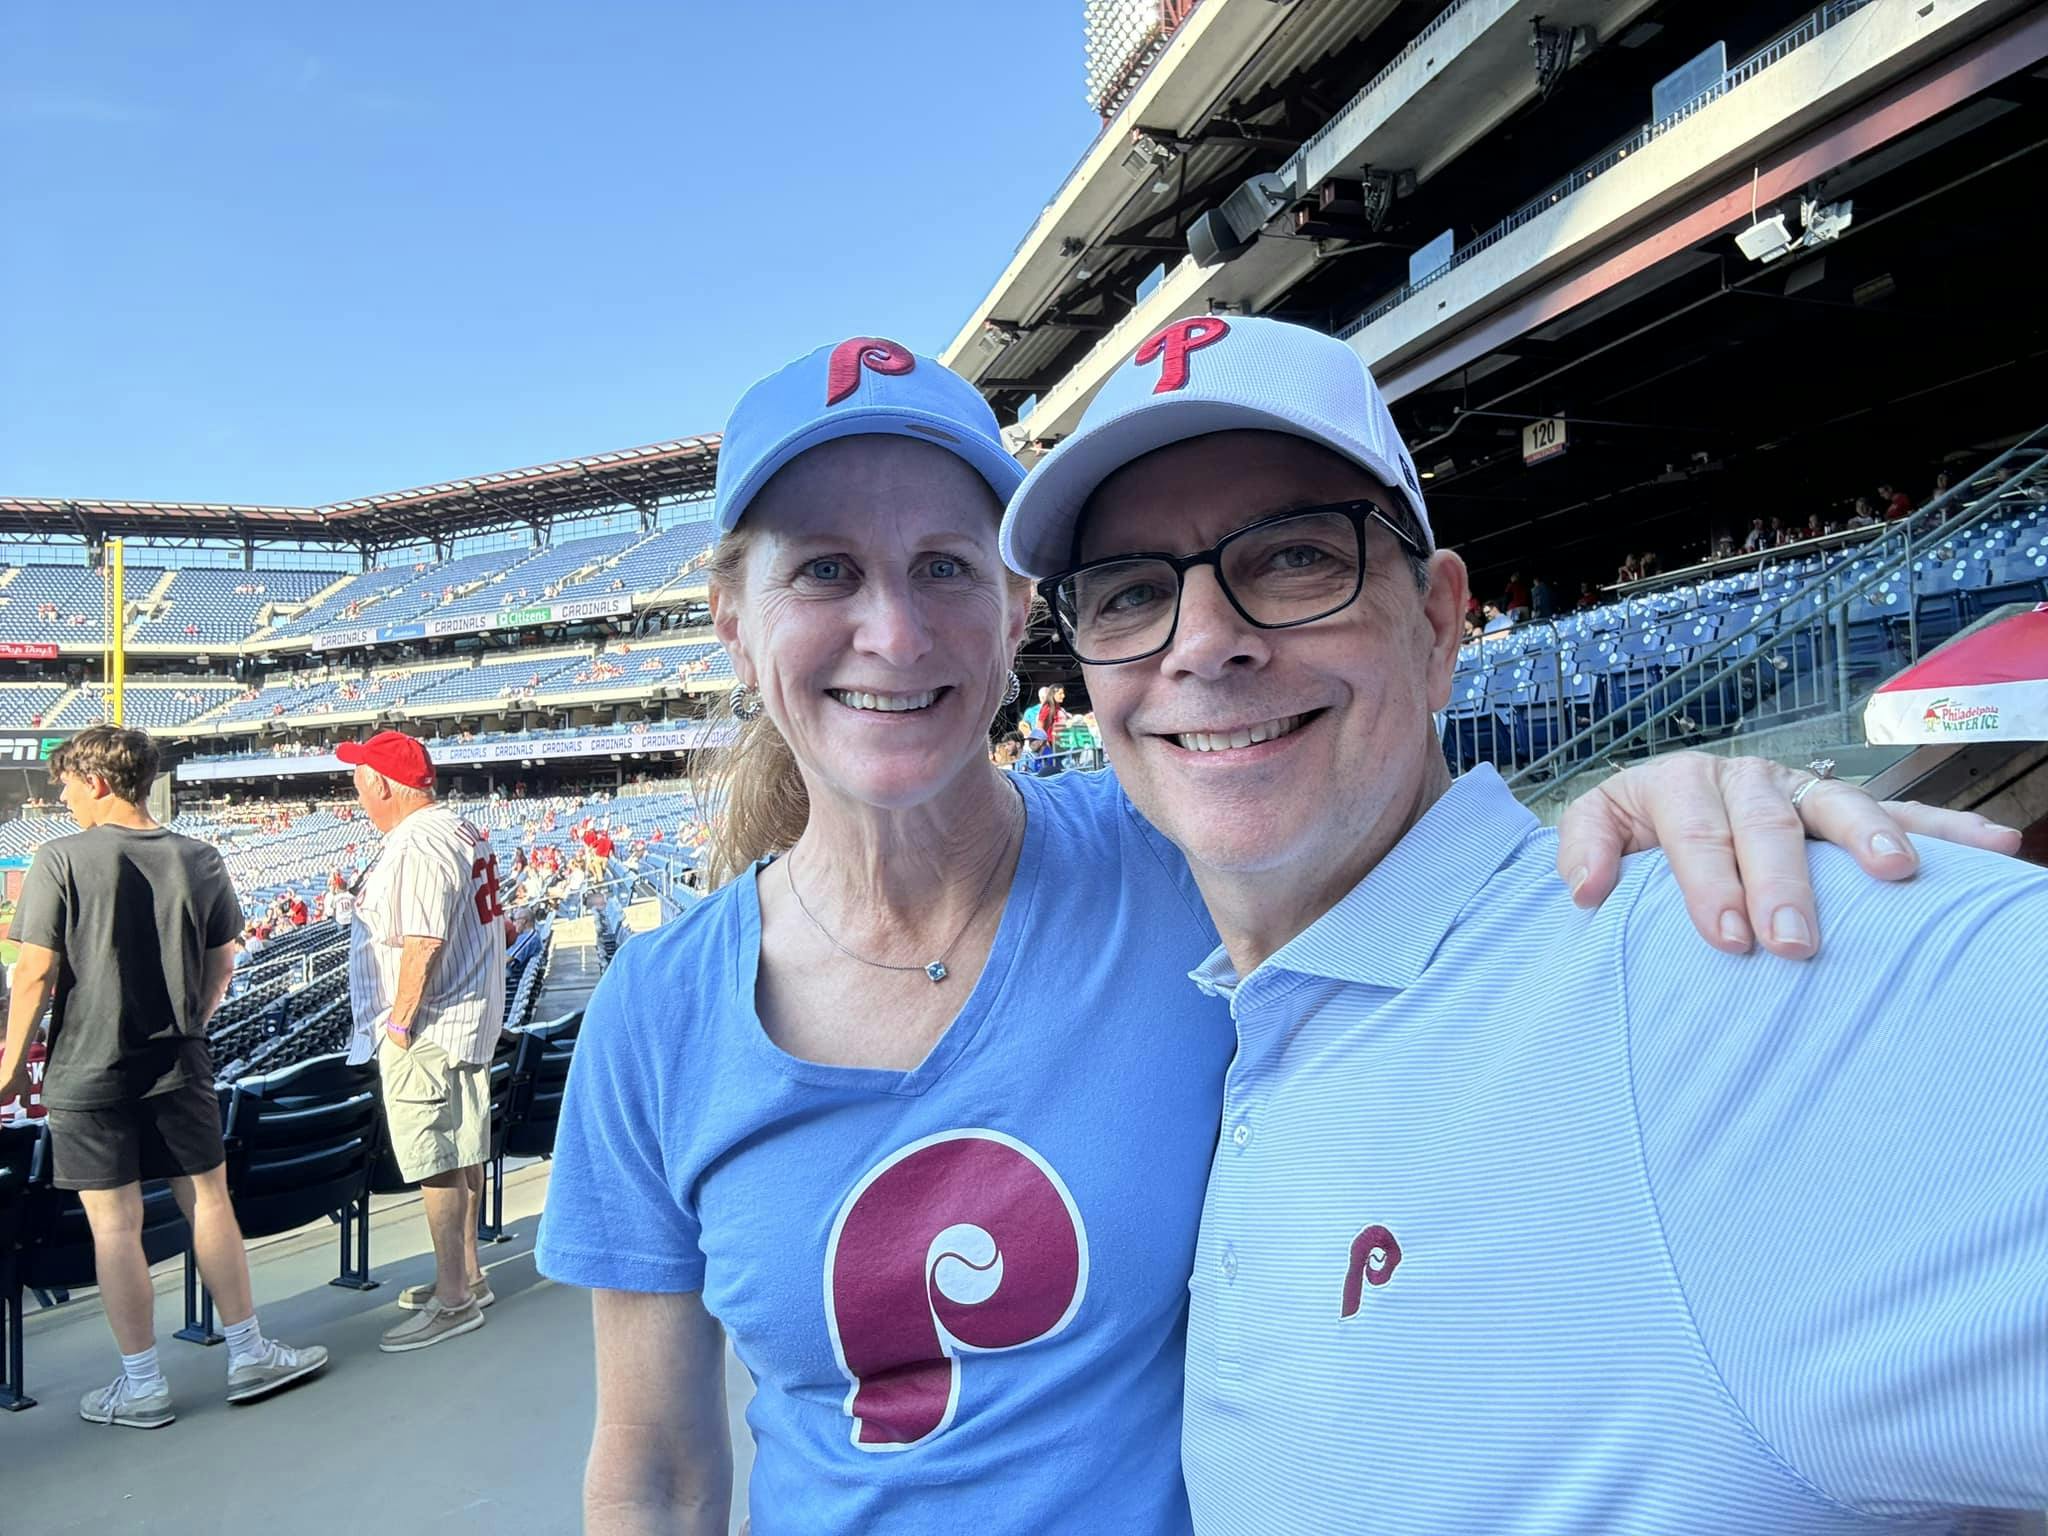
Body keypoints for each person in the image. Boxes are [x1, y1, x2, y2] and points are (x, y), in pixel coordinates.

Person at [534, 334, 1997, 1536]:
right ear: (731, 619)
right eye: (822, 571)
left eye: (943, 569)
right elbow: (655, 1470)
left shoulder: (1178, 841)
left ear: (1011, 616)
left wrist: (1665, 812)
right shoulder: (661, 1016)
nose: (895, 635)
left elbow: (1401, 836)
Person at [999, 313, 2046, 1531]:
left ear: (1439, 625)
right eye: (1128, 593)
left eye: (1292, 557)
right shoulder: (1230, 1026)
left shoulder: (1725, 966)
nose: (1204, 642)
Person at [0, 726, 327, 1428]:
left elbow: (34, 971)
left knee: (115, 1227)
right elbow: (222, 963)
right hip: (179, 1062)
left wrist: (5, 1070)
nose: (62, 797)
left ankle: (142, 1384)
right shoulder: (200, 856)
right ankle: (247, 1352)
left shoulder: (58, 858)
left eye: (65, 783)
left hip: (87, 1070)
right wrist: (194, 1018)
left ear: (98, 780)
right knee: (208, 1202)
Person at [337, 729, 506, 1352]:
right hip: (467, 1017)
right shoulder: (459, 827)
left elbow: (423, 940)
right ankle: (466, 1277)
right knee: (463, 1149)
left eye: (359, 776)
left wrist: (400, 1023)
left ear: (382, 783)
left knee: (437, 1158)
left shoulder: (414, 843)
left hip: (431, 1024)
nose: (355, 788)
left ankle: (454, 1300)